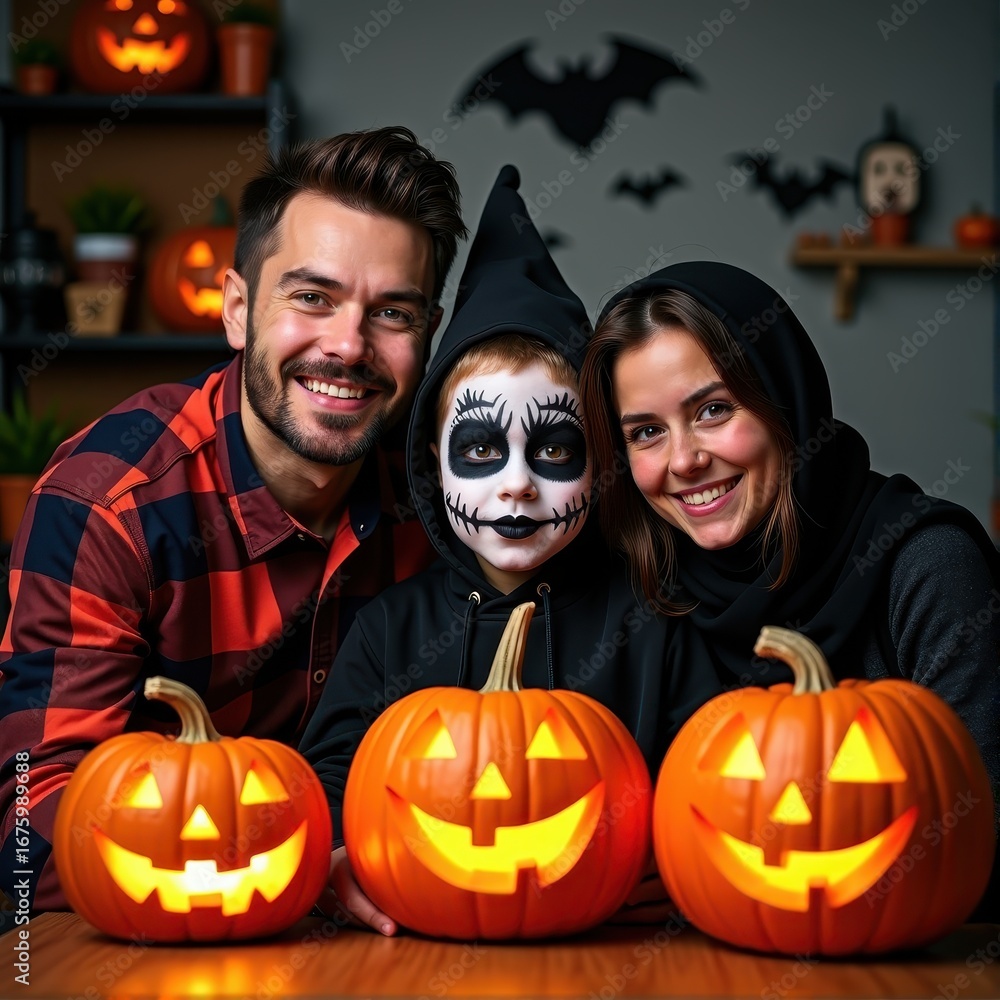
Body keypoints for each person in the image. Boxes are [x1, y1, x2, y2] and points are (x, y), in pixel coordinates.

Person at [0, 126, 468, 915]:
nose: (348, 346)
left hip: (384, 931)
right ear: (239, 309)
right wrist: (295, 870)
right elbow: (30, 831)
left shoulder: (450, 499)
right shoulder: (108, 504)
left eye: (393, 313)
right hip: (154, 933)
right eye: (312, 298)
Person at [298, 167, 720, 935]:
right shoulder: (390, 629)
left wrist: (679, 854)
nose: (518, 484)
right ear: (433, 463)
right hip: (414, 956)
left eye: (555, 450)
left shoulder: (655, 620)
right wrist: (331, 854)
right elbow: (328, 781)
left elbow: (715, 781)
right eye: (481, 449)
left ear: (600, 460)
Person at [578, 259, 1000, 918]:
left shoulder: (929, 566)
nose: (684, 460)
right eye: (647, 433)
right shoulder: (648, 592)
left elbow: (979, 845)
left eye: (714, 410)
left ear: (785, 399)